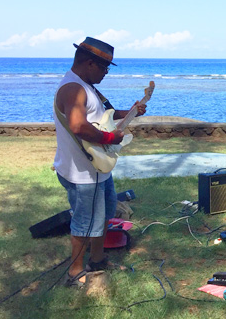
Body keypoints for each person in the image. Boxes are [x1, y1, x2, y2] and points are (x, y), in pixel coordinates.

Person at [53, 37, 147, 287]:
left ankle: (97, 260)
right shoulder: (73, 88)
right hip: (81, 173)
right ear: (90, 63)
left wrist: (126, 113)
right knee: (84, 220)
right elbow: (78, 126)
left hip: (97, 167)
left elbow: (99, 116)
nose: (106, 72)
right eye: (105, 67)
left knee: (104, 213)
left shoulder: (86, 85)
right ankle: (74, 273)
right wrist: (110, 137)